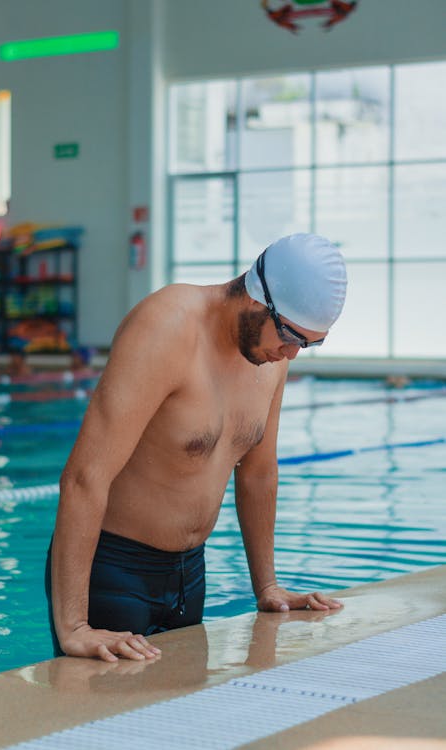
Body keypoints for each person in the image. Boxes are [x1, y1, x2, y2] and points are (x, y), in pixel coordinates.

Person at [46, 233, 347, 663]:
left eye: (308, 343)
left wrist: (268, 588)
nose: (292, 354)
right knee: (103, 726)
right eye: (289, 335)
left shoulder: (272, 356)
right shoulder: (168, 327)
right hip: (112, 571)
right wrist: (75, 627)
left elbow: (259, 471)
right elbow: (83, 477)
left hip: (190, 575)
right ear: (256, 297)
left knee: (183, 726)